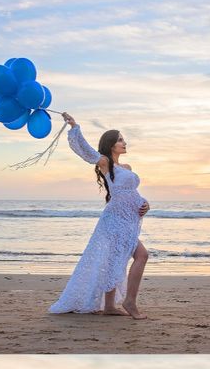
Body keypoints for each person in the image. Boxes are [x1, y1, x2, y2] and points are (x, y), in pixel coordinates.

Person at [48, 114, 151, 320]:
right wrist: (75, 126)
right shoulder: (105, 162)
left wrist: (146, 204)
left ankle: (111, 306)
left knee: (117, 259)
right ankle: (127, 302)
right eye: (120, 139)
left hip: (129, 219)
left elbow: (131, 192)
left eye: (123, 139)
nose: (124, 142)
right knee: (140, 255)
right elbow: (84, 150)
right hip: (114, 220)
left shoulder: (127, 167)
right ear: (111, 144)